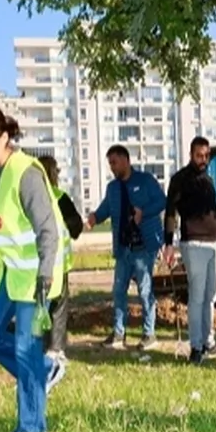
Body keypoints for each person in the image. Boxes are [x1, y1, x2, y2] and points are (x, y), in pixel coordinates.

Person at [0, 102, 69, 432]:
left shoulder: (26, 172)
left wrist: (46, 275)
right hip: (11, 273)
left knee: (24, 348)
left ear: (5, 136)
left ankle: (31, 427)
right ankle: (43, 370)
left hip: (37, 274)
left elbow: (48, 229)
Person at [85, 145, 167, 350]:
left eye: (114, 162)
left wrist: (143, 212)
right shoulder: (112, 188)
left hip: (144, 246)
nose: (112, 167)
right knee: (118, 291)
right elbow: (107, 207)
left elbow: (161, 202)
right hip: (123, 248)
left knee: (144, 290)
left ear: (126, 160)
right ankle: (118, 333)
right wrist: (95, 217)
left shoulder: (145, 181)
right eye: (110, 163)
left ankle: (149, 334)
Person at [163, 136, 216, 364]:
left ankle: (208, 341)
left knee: (211, 296)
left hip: (213, 243)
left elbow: (213, 216)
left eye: (206, 156)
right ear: (191, 154)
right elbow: (171, 213)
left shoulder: (209, 181)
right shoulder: (180, 180)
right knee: (197, 297)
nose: (203, 160)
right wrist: (168, 244)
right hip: (193, 244)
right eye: (198, 156)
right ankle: (195, 347)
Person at [37, 155, 84, 362]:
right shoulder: (59, 197)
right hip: (57, 263)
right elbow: (76, 227)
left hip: (34, 263)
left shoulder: (27, 197)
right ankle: (55, 348)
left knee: (38, 304)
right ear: (53, 173)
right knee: (58, 306)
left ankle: (36, 345)